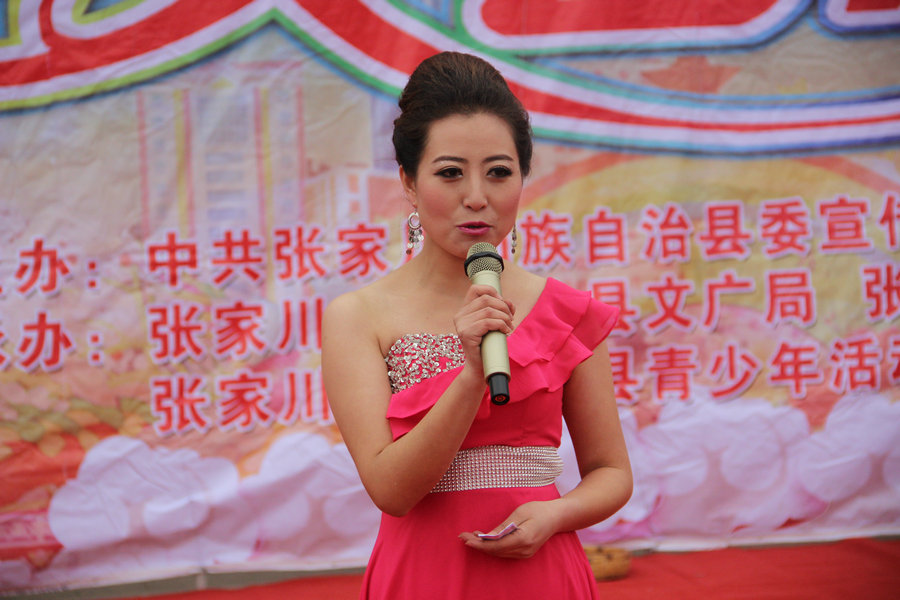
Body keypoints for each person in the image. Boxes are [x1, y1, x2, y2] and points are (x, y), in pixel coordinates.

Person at [321, 51, 632, 599]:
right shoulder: (359, 317)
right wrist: (470, 375)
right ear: (409, 182)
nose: (476, 197)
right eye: (449, 173)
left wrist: (556, 513)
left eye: (499, 172)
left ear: (522, 178)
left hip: (542, 572)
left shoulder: (565, 311)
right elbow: (391, 490)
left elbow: (611, 471)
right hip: (426, 574)